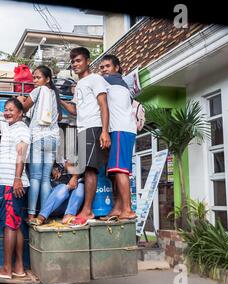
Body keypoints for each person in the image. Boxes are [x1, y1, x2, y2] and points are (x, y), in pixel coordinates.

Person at [60, 47, 111, 226]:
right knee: (84, 168)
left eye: (78, 60)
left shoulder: (95, 79)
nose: (75, 64)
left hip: (94, 126)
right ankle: (86, 209)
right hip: (82, 128)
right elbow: (75, 110)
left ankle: (87, 210)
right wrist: (60, 101)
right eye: (73, 62)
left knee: (90, 169)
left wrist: (104, 131)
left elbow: (103, 105)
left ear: (88, 61)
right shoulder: (79, 85)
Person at [0, 96, 30, 279]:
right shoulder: (8, 127)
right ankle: (19, 268)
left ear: (21, 112)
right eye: (6, 109)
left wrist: (17, 178)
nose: (7, 112)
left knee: (9, 226)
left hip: (11, 183)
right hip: (9, 182)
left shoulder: (22, 129)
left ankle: (6, 269)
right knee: (16, 225)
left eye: (12, 109)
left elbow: (21, 153)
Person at [16, 65, 60, 223]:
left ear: (47, 79)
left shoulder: (38, 91)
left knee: (35, 177)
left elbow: (23, 108)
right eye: (33, 78)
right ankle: (44, 215)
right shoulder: (55, 94)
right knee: (45, 179)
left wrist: (21, 100)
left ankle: (31, 215)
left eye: (38, 77)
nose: (35, 81)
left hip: (39, 137)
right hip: (53, 138)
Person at [99, 54, 137, 221]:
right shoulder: (120, 84)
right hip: (122, 129)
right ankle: (118, 207)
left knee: (120, 170)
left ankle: (127, 209)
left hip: (121, 129)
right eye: (102, 67)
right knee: (116, 170)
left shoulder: (111, 80)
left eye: (107, 66)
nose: (104, 70)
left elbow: (89, 81)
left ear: (117, 68)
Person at [29, 160, 84, 226]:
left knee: (81, 186)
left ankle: (68, 216)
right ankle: (41, 217)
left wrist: (74, 176)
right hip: (53, 206)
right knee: (63, 188)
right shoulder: (54, 159)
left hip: (70, 207)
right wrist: (52, 168)